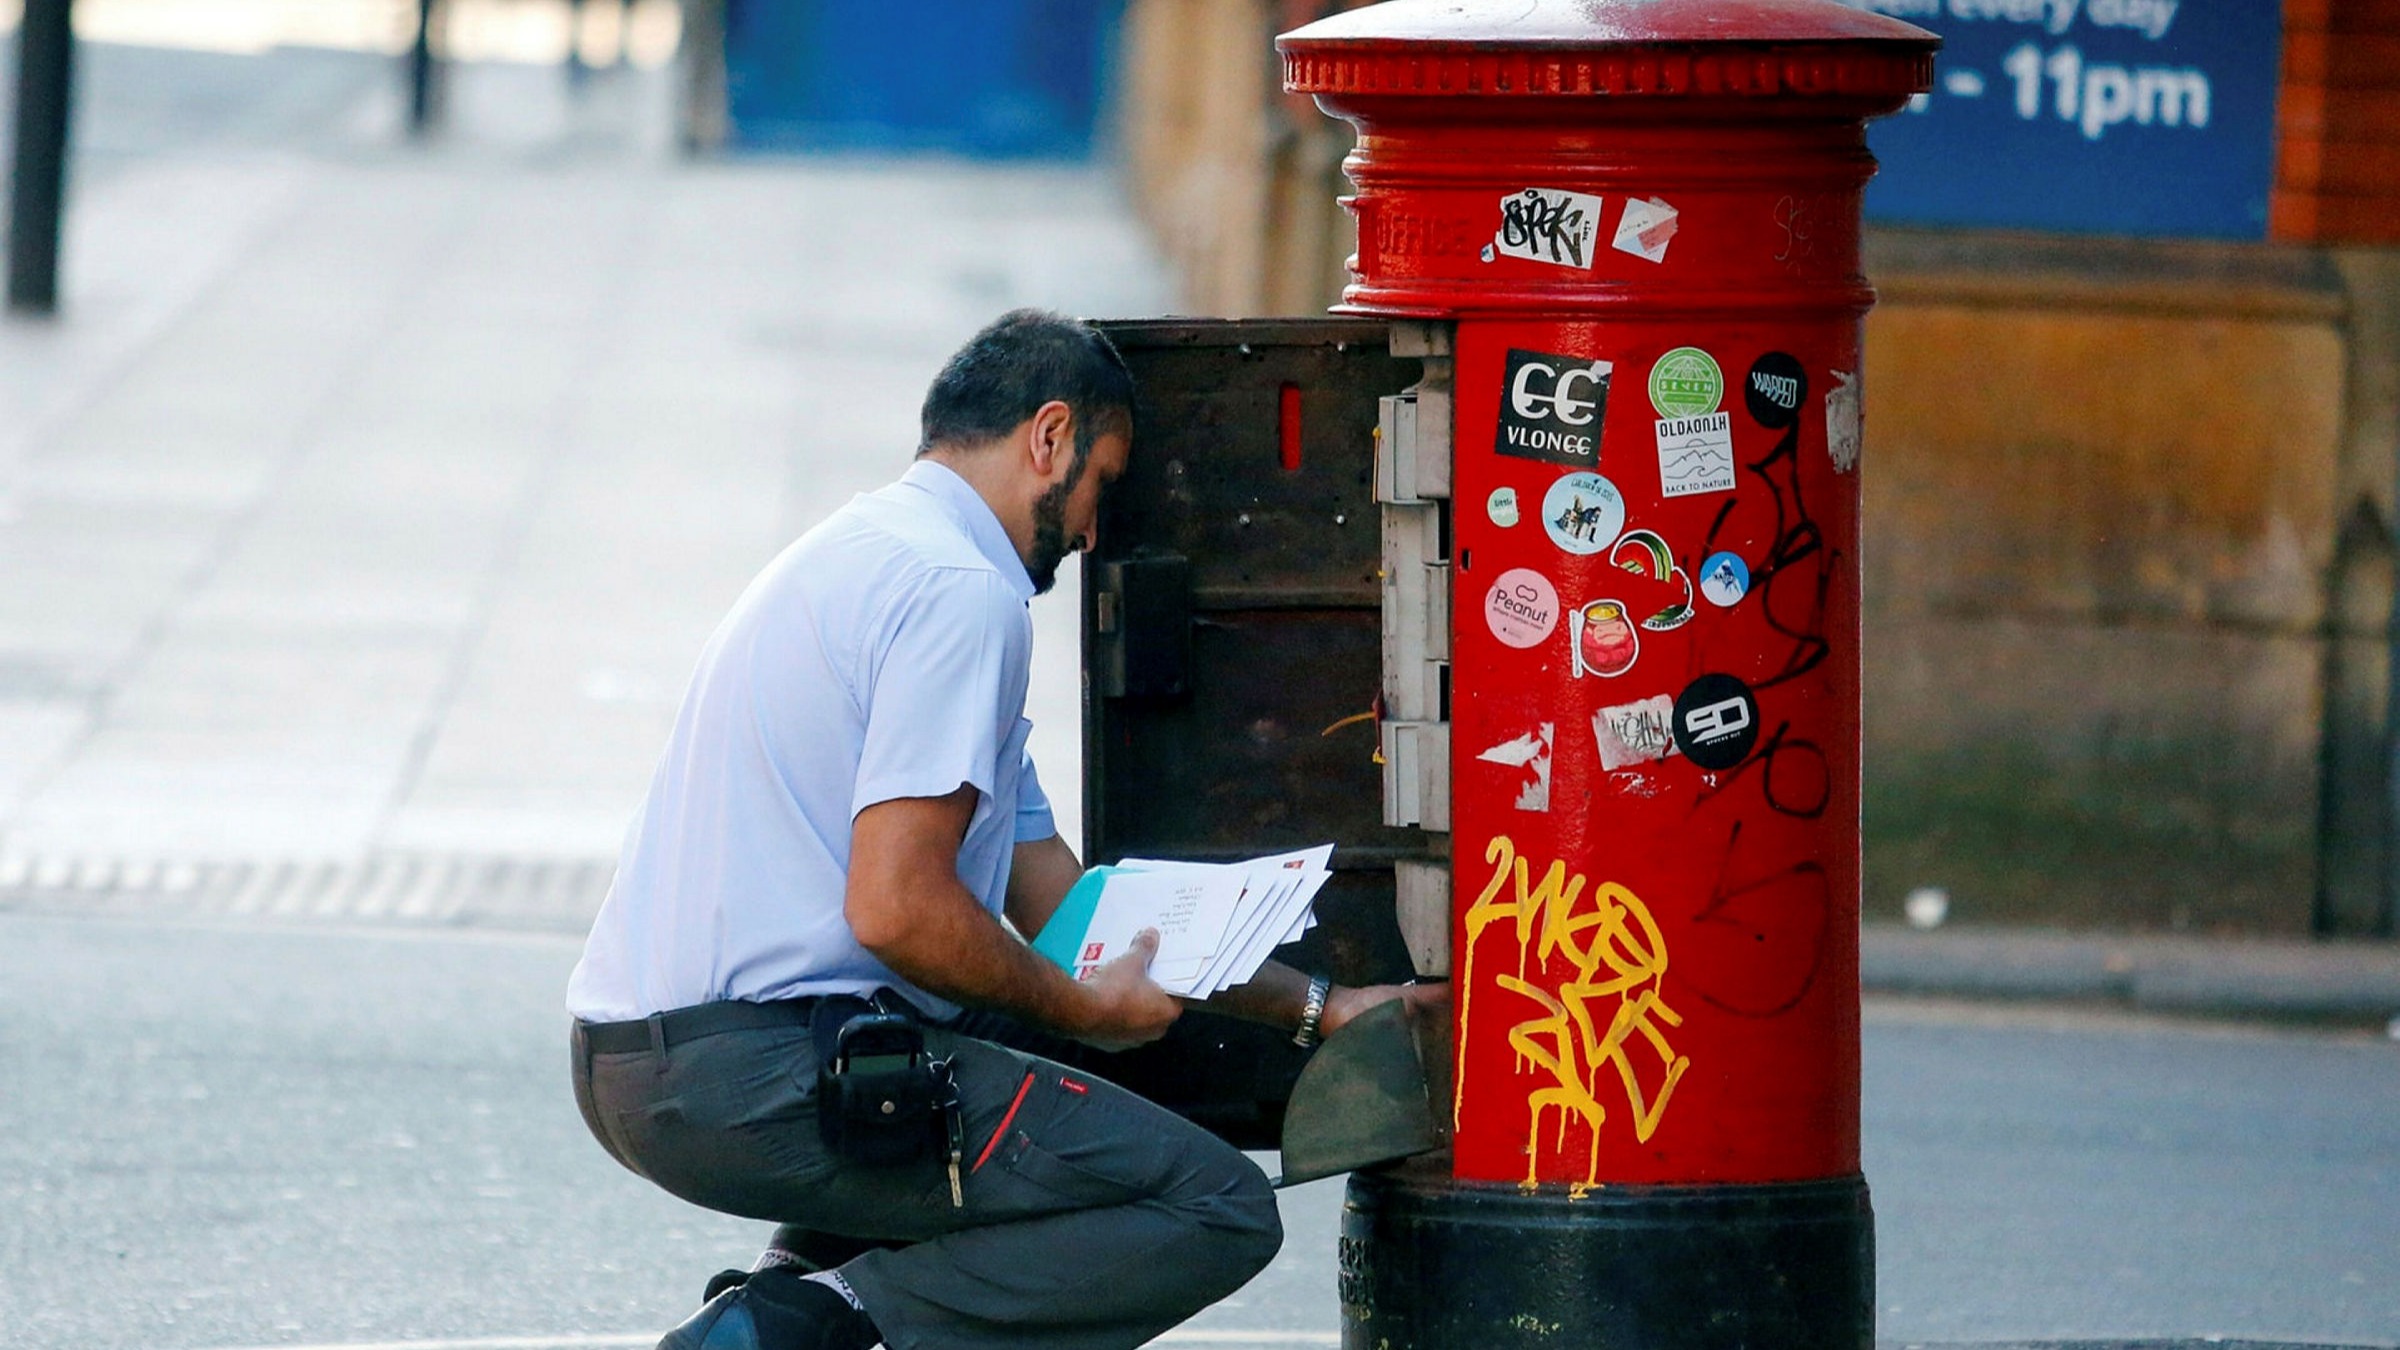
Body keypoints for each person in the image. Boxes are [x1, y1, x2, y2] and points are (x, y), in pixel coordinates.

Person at [566, 310, 1429, 1350]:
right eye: (1104, 487)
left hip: (648, 1061)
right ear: (1050, 438)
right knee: (1212, 1209)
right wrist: (1079, 1005)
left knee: (1073, 1061)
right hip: (744, 1074)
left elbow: (1066, 907)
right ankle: (806, 1327)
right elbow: (897, 910)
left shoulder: (872, 549)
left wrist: (1320, 1007)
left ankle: (791, 1295)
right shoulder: (961, 593)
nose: (1096, 533)